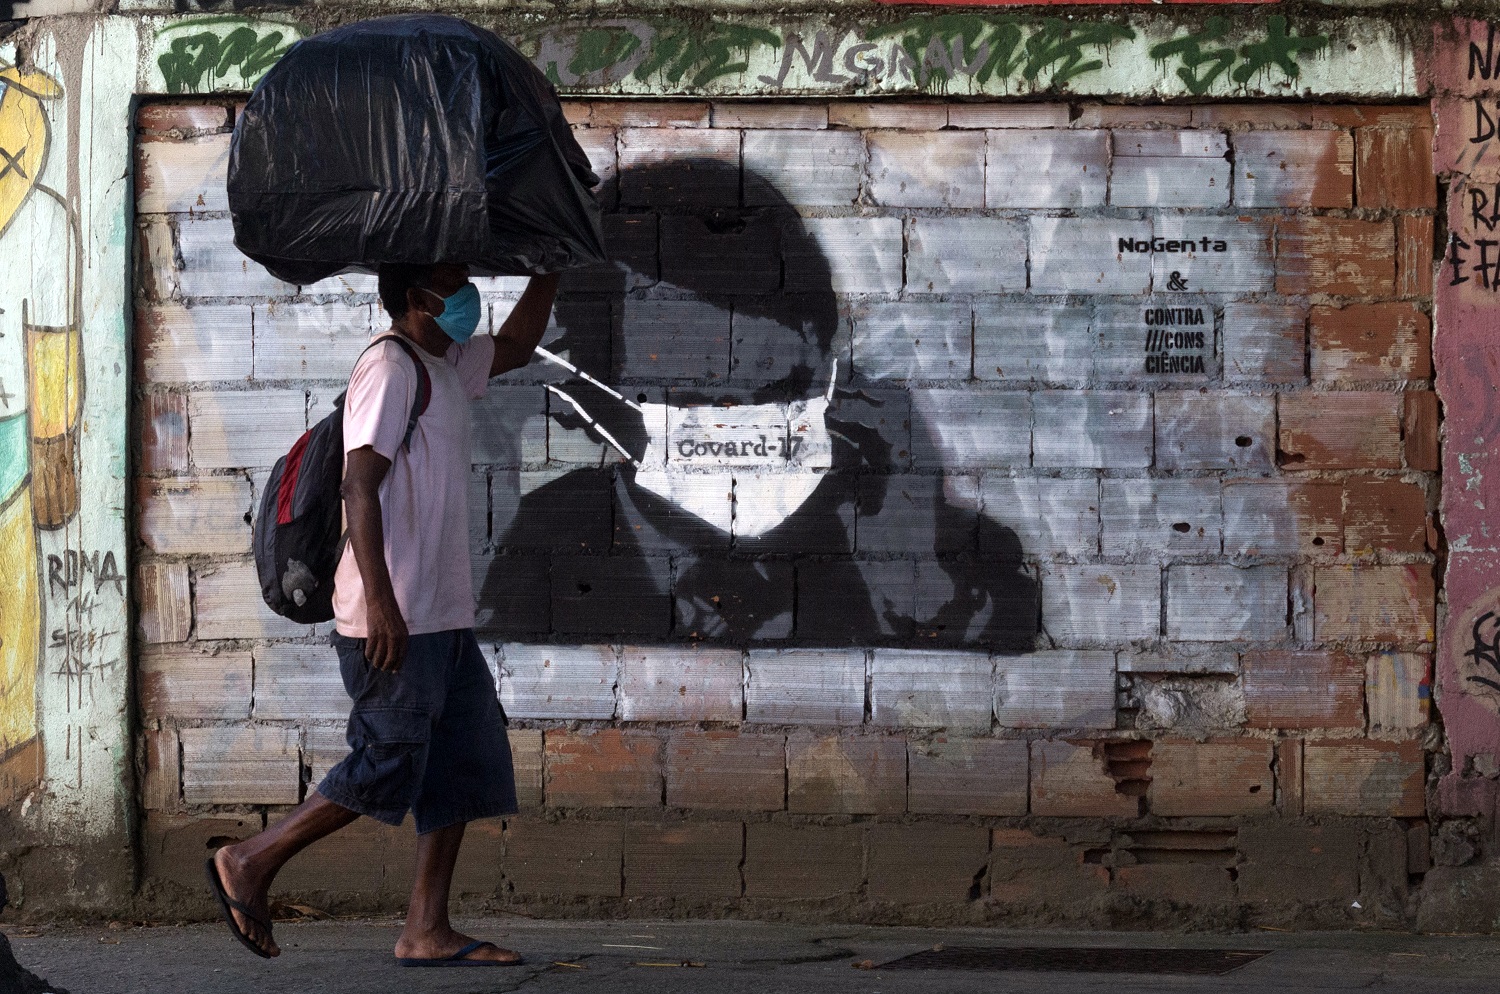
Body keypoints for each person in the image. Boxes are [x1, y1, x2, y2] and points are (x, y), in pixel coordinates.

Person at [477, 160, 1038, 648]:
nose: (734, 424)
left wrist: (909, 551)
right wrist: (481, 449)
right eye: (689, 403)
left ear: (823, 364)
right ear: (597, 392)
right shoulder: (538, 548)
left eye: (773, 395)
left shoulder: (955, 546)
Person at [207, 263, 559, 966]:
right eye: (452, 282)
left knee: (464, 763)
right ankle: (248, 859)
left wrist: (549, 270)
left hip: (441, 615)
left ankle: (426, 930)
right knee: (387, 761)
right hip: (394, 616)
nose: (466, 291)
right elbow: (359, 487)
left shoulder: (445, 362)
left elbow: (517, 345)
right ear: (416, 299)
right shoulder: (391, 368)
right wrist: (381, 603)